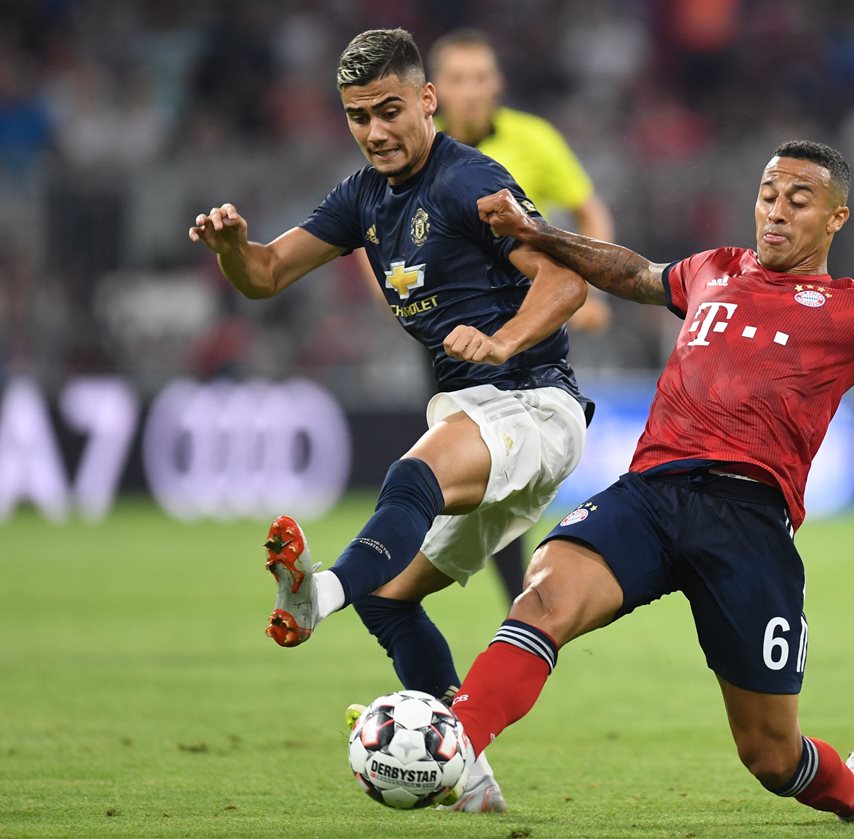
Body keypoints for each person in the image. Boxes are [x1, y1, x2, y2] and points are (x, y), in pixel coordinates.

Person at [443, 140, 854, 822]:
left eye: (798, 201)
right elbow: (633, 272)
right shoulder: (713, 269)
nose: (776, 212)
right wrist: (536, 231)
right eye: (768, 196)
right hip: (653, 491)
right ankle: (453, 749)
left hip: (749, 521)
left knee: (771, 757)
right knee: (543, 600)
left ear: (837, 218)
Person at [187, 28, 596, 814]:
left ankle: (319, 594)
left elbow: (566, 280)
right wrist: (233, 250)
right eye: (357, 116)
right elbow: (265, 274)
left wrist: (502, 340)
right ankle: (470, 777)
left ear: (426, 100)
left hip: (534, 404)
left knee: (411, 476)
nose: (374, 131)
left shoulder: (471, 180)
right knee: (389, 597)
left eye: (389, 110)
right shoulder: (363, 197)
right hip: (477, 415)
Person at [430, 27, 615, 600]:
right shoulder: (417, 150)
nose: (470, 90)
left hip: (524, 338)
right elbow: (374, 238)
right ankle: (501, 596)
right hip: (446, 337)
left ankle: (511, 597)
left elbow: (589, 211)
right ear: (435, 90)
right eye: (458, 79)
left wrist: (593, 290)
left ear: (497, 84)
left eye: (480, 78)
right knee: (463, 474)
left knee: (500, 472)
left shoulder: (534, 139)